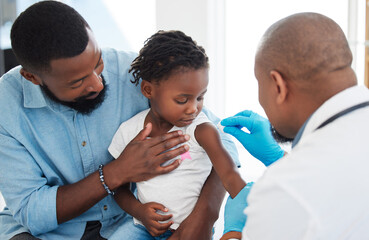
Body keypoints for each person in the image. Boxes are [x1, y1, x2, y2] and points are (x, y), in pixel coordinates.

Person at [0, 1, 239, 239]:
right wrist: (117, 173)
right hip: (53, 231)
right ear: (32, 77)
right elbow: (31, 212)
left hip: (133, 221)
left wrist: (206, 213)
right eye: (76, 82)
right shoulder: (7, 105)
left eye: (98, 63)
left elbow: (221, 140)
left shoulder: (135, 73)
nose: (97, 83)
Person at [220, 12, 369, 239]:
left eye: (259, 84)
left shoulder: (284, 189)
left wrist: (233, 232)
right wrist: (279, 158)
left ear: (278, 85)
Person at [107, 30, 248, 239]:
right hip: (142, 227)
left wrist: (250, 214)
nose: (193, 109)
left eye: (200, 97)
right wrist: (140, 212)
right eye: (183, 100)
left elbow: (229, 175)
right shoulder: (129, 131)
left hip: (193, 230)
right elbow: (119, 188)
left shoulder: (201, 130)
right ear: (148, 90)